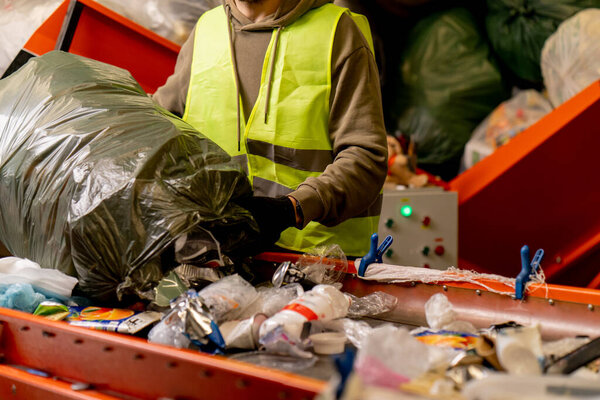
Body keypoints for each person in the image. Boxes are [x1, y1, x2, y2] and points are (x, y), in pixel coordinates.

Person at [153, 0, 387, 257]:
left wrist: (293, 209)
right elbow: (156, 128)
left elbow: (366, 158)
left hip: (319, 265)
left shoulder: (337, 32)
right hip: (222, 256)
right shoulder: (207, 29)